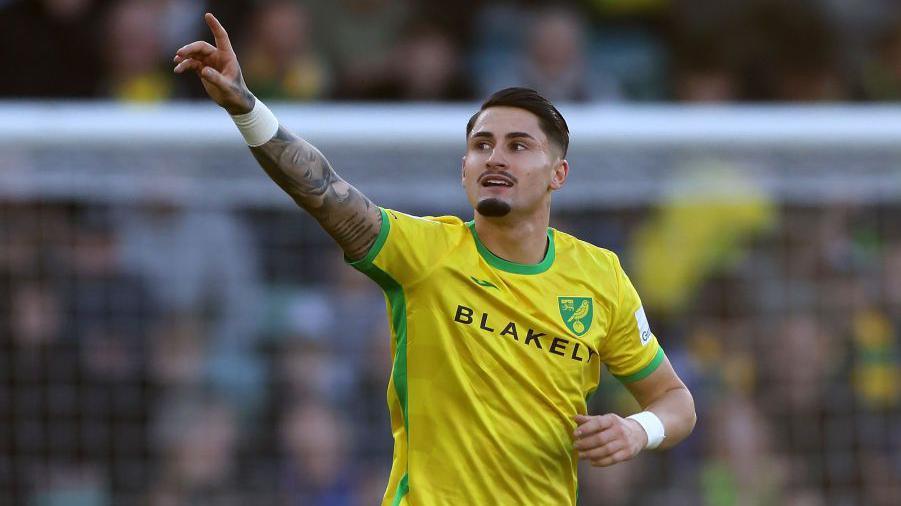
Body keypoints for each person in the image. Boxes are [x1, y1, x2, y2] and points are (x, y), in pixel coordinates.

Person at [173, 13, 696, 505]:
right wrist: (247, 108)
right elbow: (323, 191)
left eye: (518, 146)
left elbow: (674, 400)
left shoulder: (600, 275)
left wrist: (637, 429)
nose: (495, 156)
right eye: (481, 145)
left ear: (558, 174)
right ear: (464, 169)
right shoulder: (426, 252)